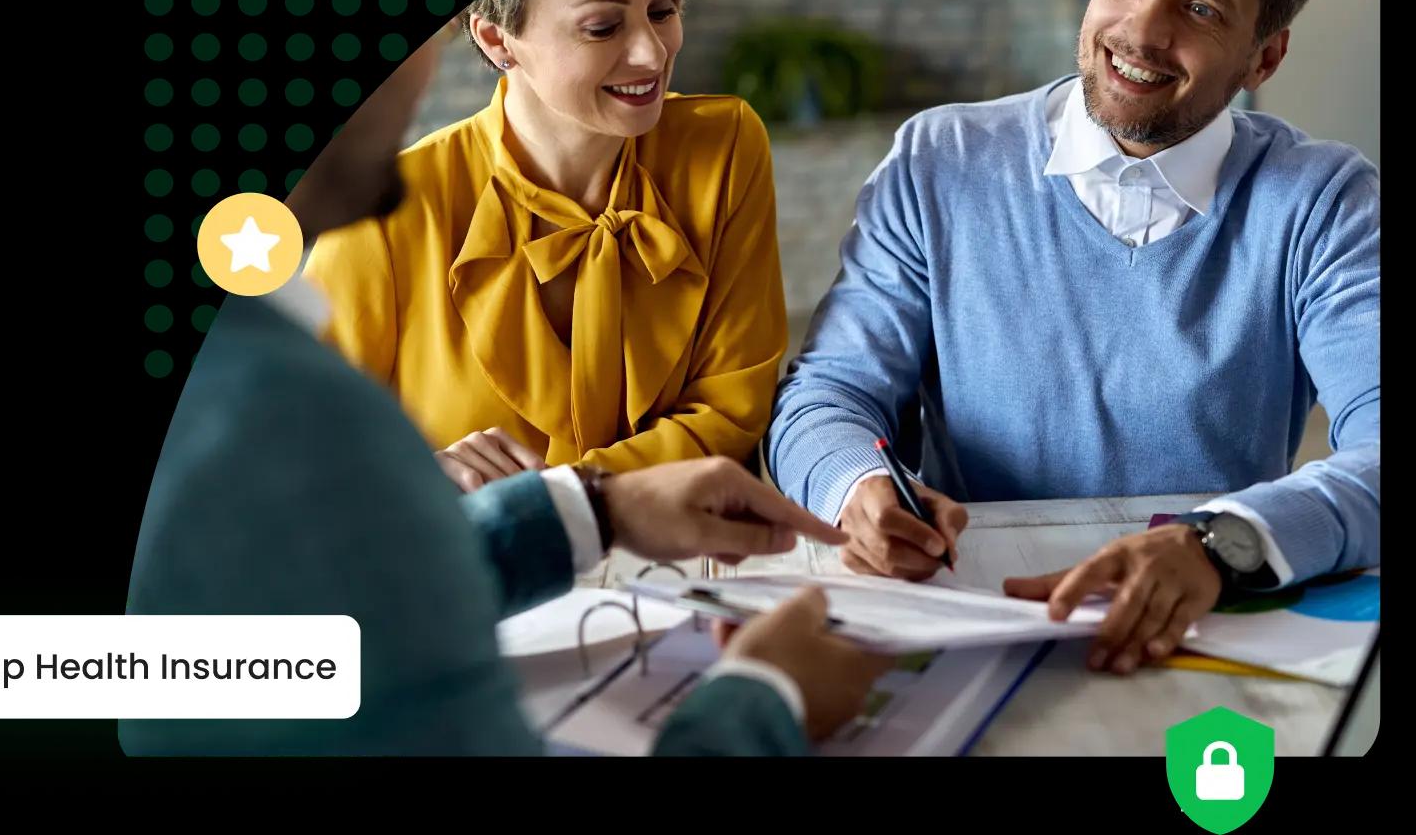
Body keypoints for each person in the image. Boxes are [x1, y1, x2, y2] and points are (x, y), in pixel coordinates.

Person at [119, 37, 893, 757]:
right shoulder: (293, 420)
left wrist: (590, 511)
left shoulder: (245, 385)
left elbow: (319, 612)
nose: (428, 68)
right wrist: (768, 696)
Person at [767, 0, 1379, 676]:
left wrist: (1219, 546)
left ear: (1262, 60)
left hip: (1197, 630)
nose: (1143, 32)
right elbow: (829, 392)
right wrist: (856, 488)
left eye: (1200, 8)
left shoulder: (1325, 201)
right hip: (966, 618)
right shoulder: (938, 160)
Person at [303, 0, 788, 493]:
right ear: (496, 38)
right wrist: (423, 476)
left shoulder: (724, 146)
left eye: (663, 10)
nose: (653, 53)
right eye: (602, 27)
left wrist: (556, 500)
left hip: (679, 572)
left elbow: (734, 410)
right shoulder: (385, 210)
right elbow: (299, 456)